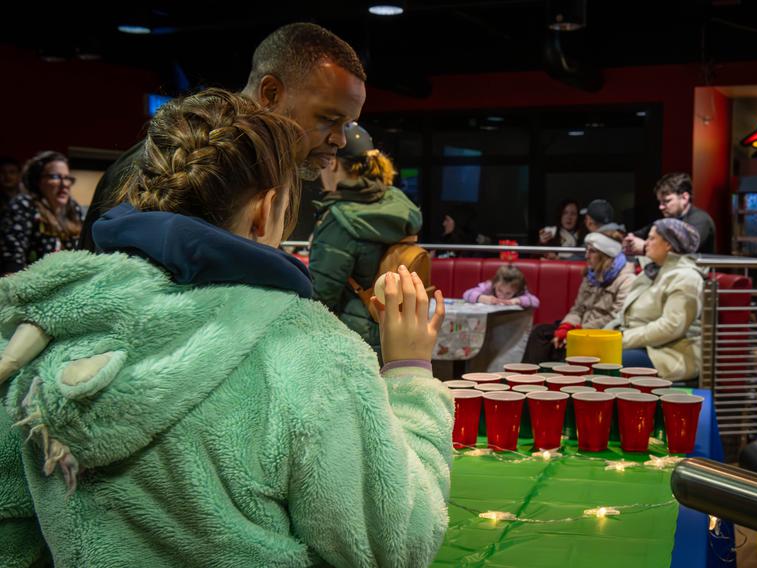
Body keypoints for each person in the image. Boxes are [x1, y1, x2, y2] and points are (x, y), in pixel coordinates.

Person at [0, 89, 452, 568]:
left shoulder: (46, 324)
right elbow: (397, 543)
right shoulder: (308, 351)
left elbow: (12, 531)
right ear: (265, 210)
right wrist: (409, 373)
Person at [78, 22, 367, 252]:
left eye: (347, 124)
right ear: (270, 93)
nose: (341, 140)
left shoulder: (276, 169)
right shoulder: (166, 164)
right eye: (328, 119)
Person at [309, 122, 422, 355]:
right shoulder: (397, 203)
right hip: (397, 331)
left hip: (352, 341)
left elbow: (319, 297)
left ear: (333, 163)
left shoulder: (342, 219)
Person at [613, 218, 705, 381]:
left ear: (668, 244)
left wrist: (621, 340)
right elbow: (625, 315)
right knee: (585, 355)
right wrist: (602, 336)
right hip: (643, 346)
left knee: (605, 364)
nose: (646, 243)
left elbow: (670, 328)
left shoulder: (687, 277)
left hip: (671, 354)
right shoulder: (652, 271)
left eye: (652, 238)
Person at [523, 232, 635, 363]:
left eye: (592, 251)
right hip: (579, 328)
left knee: (563, 350)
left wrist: (578, 332)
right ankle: (529, 378)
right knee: (540, 332)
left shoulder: (626, 280)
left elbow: (614, 318)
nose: (586, 256)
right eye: (586, 250)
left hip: (600, 333)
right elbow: (578, 309)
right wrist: (564, 328)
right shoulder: (591, 276)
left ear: (605, 255)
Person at [1, 151, 82, 274]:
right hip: (31, 287)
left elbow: (83, 254)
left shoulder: (73, 207)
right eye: (55, 177)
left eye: (67, 178)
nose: (64, 184)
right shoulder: (24, 205)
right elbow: (12, 262)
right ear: (37, 180)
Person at [623, 172, 716, 255]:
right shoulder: (668, 219)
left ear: (684, 198)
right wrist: (630, 240)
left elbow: (684, 249)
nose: (661, 207)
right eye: (660, 202)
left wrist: (645, 247)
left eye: (666, 201)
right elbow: (639, 234)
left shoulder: (701, 220)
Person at [463, 265, 540, 309]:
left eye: (508, 293)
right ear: (495, 283)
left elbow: (536, 302)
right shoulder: (489, 287)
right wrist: (480, 297)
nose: (502, 296)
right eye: (499, 290)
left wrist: (518, 300)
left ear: (517, 290)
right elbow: (467, 294)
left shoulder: (520, 291)